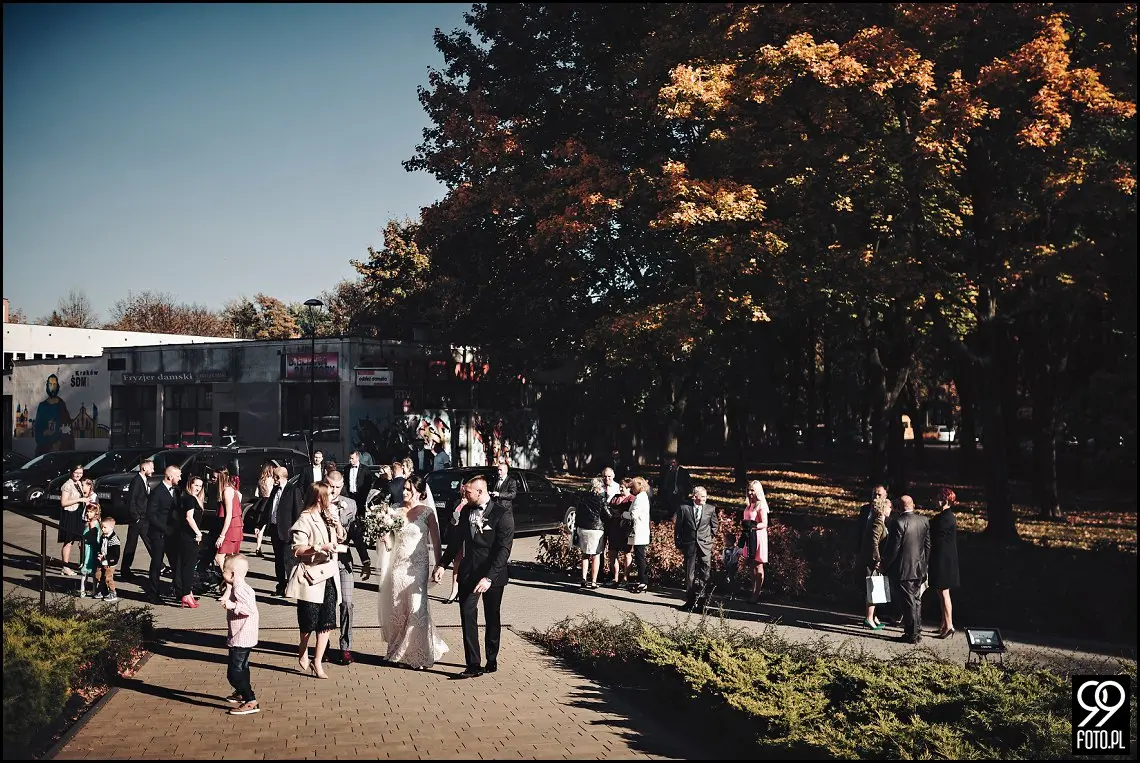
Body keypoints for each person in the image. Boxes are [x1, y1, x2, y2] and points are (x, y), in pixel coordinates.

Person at [432, 474, 514, 679]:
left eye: (467, 492)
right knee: (467, 614)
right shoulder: (466, 510)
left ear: (480, 491)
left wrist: (489, 578)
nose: (464, 495)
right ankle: (473, 664)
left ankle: (491, 660)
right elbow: (456, 541)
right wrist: (443, 563)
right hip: (469, 571)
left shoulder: (502, 514)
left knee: (492, 617)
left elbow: (504, 550)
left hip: (492, 574)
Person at [378, 475, 448, 670]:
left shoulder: (427, 512)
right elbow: (392, 541)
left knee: (417, 608)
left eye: (409, 489)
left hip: (418, 566)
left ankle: (420, 654)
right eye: (405, 488)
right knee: (399, 609)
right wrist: (386, 539)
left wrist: (439, 565)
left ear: (420, 492)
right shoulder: (396, 512)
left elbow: (436, 541)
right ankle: (398, 652)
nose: (405, 492)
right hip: (398, 566)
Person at [286, 482, 345, 679]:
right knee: (308, 621)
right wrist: (318, 547)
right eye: (329, 494)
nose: (333, 496)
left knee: (327, 622)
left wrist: (336, 523)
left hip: (329, 574)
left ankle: (317, 662)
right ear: (319, 497)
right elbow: (297, 549)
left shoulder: (328, 516)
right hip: (311, 577)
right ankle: (302, 649)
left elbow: (341, 537)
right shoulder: (305, 519)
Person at [325, 471, 372, 666]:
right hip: (324, 561)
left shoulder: (350, 504)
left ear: (342, 485)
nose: (334, 491)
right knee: (326, 606)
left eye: (337, 487)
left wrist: (366, 559)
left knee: (347, 604)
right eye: (331, 486)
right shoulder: (316, 500)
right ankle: (323, 646)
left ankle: (346, 648)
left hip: (344, 561)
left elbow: (356, 533)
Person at [880, 495, 931, 644]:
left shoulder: (898, 522)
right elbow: (927, 546)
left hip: (903, 569)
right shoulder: (924, 521)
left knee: (908, 602)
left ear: (900, 507)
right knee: (916, 600)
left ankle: (912, 634)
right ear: (913, 505)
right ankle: (917, 630)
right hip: (919, 568)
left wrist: (885, 565)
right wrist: (924, 564)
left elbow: (893, 549)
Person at [221, 554, 261, 715]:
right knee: (242, 666)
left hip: (242, 636)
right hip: (240, 635)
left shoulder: (241, 590)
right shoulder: (237, 587)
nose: (222, 573)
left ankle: (250, 699)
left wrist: (231, 605)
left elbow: (249, 609)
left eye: (224, 571)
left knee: (234, 672)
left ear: (232, 574)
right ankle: (241, 691)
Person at [674, 485, 719, 612]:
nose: (705, 498)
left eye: (706, 496)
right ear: (694, 497)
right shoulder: (684, 509)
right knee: (689, 573)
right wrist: (678, 541)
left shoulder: (710, 509)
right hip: (690, 544)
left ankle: (702, 602)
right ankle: (690, 601)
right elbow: (678, 527)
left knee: (705, 573)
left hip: (705, 544)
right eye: (702, 496)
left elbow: (715, 526)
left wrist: (709, 538)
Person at [145, 465, 183, 604]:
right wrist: (165, 528)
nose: (180, 478)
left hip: (172, 535)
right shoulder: (158, 492)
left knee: (176, 563)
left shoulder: (176, 491)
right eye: (178, 475)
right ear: (170, 476)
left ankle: (180, 593)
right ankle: (153, 594)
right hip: (159, 534)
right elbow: (151, 515)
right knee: (156, 563)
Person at [929, 488, 960, 639]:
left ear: (946, 500)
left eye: (938, 498)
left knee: (944, 592)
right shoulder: (948, 517)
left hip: (943, 560)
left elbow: (933, 530)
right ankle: (944, 624)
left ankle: (949, 625)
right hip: (946, 560)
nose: (935, 500)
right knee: (941, 592)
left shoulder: (944, 518)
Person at [858, 493, 893, 629]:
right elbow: (873, 542)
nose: (891, 509)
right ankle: (869, 619)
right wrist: (877, 558)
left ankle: (874, 617)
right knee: (874, 589)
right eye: (889, 507)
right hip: (873, 562)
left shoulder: (879, 521)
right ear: (883, 508)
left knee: (877, 589)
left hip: (875, 561)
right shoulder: (878, 522)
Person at [273, 467, 307, 595]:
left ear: (279, 477)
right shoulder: (275, 490)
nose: (273, 479)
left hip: (287, 532)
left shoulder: (293, 490)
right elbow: (271, 507)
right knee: (278, 560)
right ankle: (281, 586)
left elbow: (298, 512)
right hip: (275, 529)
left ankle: (291, 588)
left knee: (289, 561)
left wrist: (296, 531)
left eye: (275, 476)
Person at [120, 458, 155, 578]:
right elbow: (132, 500)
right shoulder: (137, 481)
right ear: (144, 468)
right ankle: (158, 564)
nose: (153, 471)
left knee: (135, 542)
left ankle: (125, 569)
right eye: (152, 468)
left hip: (142, 517)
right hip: (138, 518)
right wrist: (136, 517)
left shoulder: (144, 480)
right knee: (141, 542)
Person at [177, 476, 207, 608]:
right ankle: (186, 594)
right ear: (190, 485)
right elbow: (189, 518)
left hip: (188, 536)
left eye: (200, 486)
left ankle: (188, 593)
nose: (198, 488)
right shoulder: (189, 499)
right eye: (196, 485)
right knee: (189, 566)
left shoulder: (193, 499)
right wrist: (198, 533)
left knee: (188, 565)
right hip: (189, 537)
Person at [739, 480, 771, 604]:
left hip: (757, 536)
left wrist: (752, 526)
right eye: (749, 490)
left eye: (752, 490)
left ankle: (757, 594)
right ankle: (752, 590)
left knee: (758, 565)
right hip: (748, 535)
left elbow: (764, 523)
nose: (750, 493)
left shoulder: (760, 505)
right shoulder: (749, 504)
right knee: (750, 564)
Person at [575, 479, 608, 589]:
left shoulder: (583, 497)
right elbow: (607, 514)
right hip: (596, 529)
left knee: (585, 554)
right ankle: (593, 581)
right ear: (599, 488)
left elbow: (577, 512)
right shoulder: (601, 499)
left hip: (583, 528)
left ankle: (583, 578)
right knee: (596, 555)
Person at [58, 464, 88, 576]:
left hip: (78, 514)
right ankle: (65, 567)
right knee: (68, 541)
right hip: (70, 514)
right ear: (71, 472)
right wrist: (80, 499)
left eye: (80, 473)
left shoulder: (79, 483)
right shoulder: (67, 485)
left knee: (81, 540)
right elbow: (63, 502)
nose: (78, 475)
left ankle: (84, 564)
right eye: (76, 473)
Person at [604, 478, 633, 587]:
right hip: (614, 528)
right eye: (620, 486)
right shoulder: (615, 498)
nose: (620, 489)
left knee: (627, 554)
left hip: (626, 530)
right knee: (612, 553)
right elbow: (609, 510)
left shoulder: (632, 499)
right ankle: (615, 577)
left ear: (629, 488)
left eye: (623, 487)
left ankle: (625, 578)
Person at [625, 477, 651, 593]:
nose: (631, 489)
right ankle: (642, 580)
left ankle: (643, 581)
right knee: (639, 556)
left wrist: (623, 514)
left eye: (633, 487)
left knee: (640, 557)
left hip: (639, 531)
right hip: (640, 531)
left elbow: (633, 515)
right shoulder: (643, 496)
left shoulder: (640, 498)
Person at [77, 492, 101, 597]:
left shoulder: (92, 523)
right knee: (92, 571)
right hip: (91, 547)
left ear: (95, 513)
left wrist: (83, 541)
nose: (88, 514)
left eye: (90, 512)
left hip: (90, 549)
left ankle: (84, 590)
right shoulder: (95, 522)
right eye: (87, 512)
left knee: (86, 570)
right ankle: (93, 590)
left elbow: (92, 537)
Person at [250, 462, 276, 557]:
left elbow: (256, 494)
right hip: (269, 502)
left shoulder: (260, 480)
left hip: (261, 502)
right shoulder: (272, 480)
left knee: (260, 526)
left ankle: (258, 547)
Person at [93, 516, 121, 603]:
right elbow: (100, 547)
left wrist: (107, 559)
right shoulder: (103, 536)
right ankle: (102, 590)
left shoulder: (114, 540)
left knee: (108, 577)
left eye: (105, 527)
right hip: (102, 560)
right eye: (102, 527)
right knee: (98, 575)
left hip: (109, 562)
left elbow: (115, 554)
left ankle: (112, 592)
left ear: (111, 527)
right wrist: (99, 554)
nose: (103, 529)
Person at [855, 485, 889, 552]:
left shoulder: (889, 513)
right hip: (865, 549)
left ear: (885, 496)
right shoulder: (864, 509)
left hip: (881, 550)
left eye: (879, 495)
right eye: (874, 494)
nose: (876, 497)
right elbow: (860, 530)